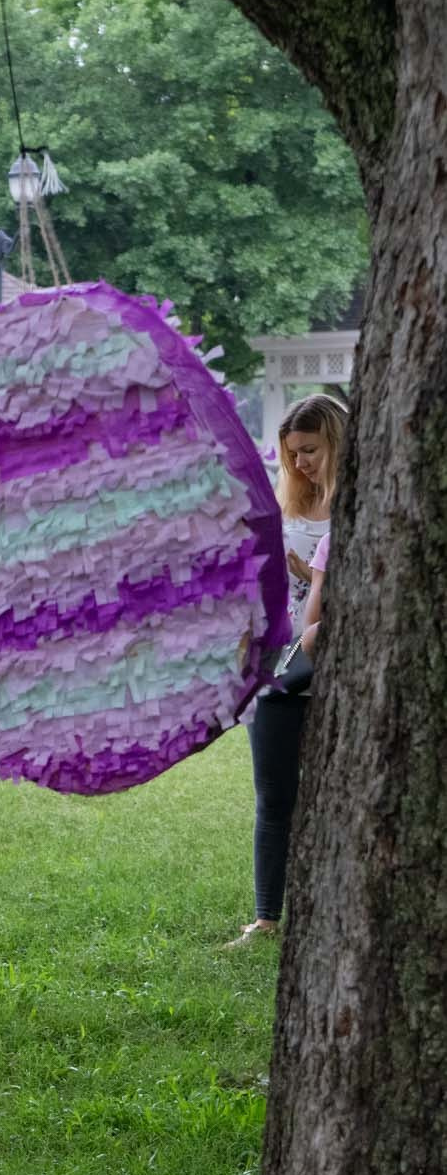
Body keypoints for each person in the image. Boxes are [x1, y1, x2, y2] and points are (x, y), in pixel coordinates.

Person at [227, 394, 345, 949]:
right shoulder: (281, 513)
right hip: (280, 662)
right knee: (273, 794)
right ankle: (266, 917)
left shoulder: (361, 512)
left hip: (334, 666)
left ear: (337, 445)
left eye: (311, 451)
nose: (299, 464)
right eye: (291, 454)